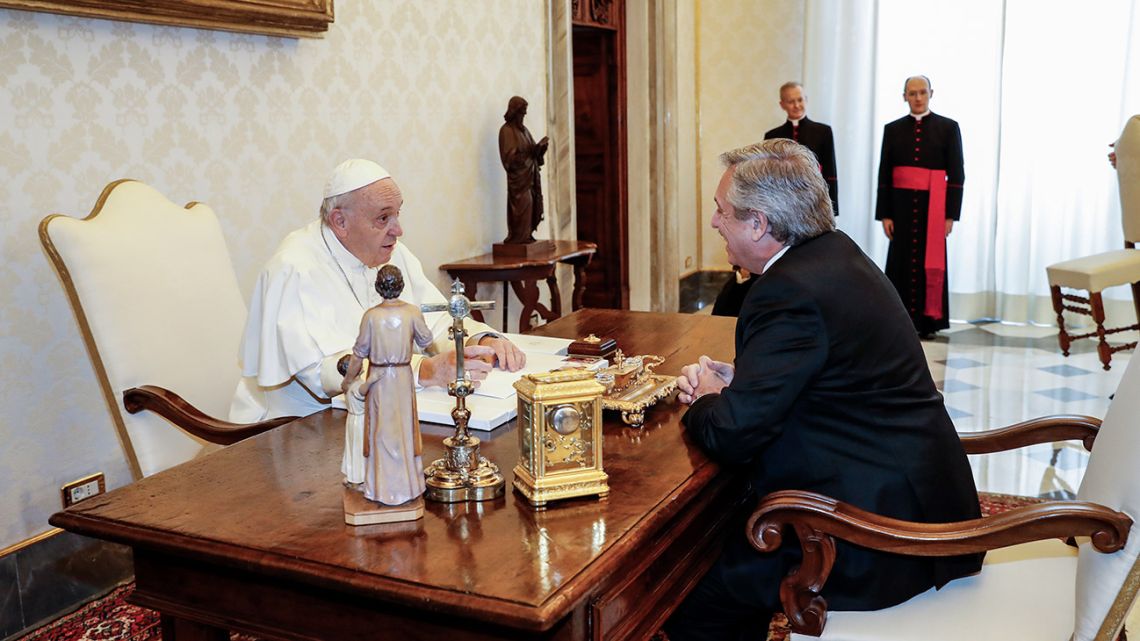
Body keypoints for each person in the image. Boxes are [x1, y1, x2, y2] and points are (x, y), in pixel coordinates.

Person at [666, 139, 982, 641]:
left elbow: (732, 436)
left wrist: (707, 397)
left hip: (881, 536)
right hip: (912, 492)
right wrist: (740, 378)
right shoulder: (832, 252)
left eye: (720, 211)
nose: (713, 223)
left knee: (688, 594)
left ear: (758, 225)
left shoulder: (786, 291)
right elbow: (827, 372)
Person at [230, 159, 526, 422]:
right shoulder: (294, 268)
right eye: (383, 218)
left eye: (397, 215)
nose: (398, 230)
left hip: (380, 412)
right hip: (302, 426)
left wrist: (481, 339)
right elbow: (324, 373)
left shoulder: (391, 252)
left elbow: (434, 320)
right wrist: (425, 370)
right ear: (340, 222)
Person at [875, 75, 964, 339]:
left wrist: (950, 215)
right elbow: (885, 174)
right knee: (900, 261)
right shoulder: (892, 129)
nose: (917, 98)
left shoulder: (948, 128)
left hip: (933, 208)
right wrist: (885, 214)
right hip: (900, 207)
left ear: (931, 94)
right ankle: (899, 319)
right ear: (904, 96)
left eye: (922, 93)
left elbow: (957, 175)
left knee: (930, 262)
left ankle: (928, 322)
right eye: (912, 93)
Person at [342, 265, 434, 506]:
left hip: (381, 379)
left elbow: (358, 353)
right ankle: (407, 487)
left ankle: (382, 489)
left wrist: (348, 379)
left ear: (378, 286)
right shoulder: (411, 312)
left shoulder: (371, 316)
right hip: (401, 377)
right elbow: (427, 341)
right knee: (402, 430)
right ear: (400, 285)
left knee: (382, 432)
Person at [764, 82, 839, 216]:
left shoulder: (823, 132)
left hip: (814, 201)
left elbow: (830, 173)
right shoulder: (772, 136)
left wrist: (831, 209)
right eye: (791, 101)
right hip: (783, 202)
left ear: (806, 100)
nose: (797, 105)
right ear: (782, 105)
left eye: (800, 100)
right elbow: (769, 175)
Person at [499, 96, 549, 244]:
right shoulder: (506, 131)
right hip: (519, 182)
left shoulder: (524, 131)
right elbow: (509, 160)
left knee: (532, 204)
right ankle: (518, 237)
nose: (523, 117)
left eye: (525, 113)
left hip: (531, 177)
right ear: (514, 112)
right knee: (523, 205)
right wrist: (529, 153)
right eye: (521, 113)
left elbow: (533, 151)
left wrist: (540, 150)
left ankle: (527, 235)